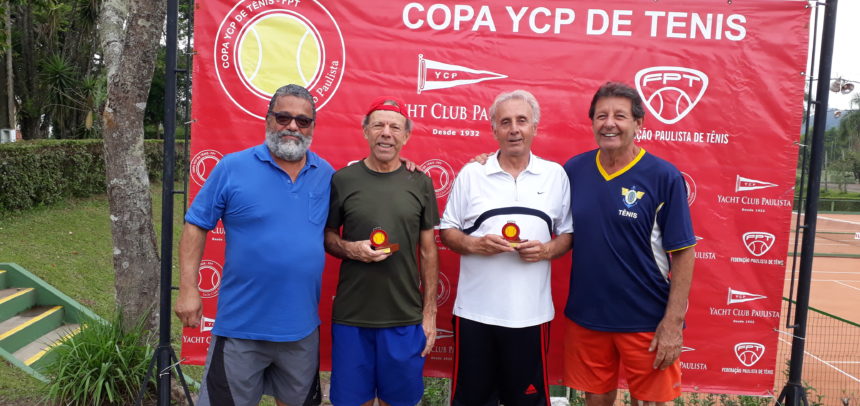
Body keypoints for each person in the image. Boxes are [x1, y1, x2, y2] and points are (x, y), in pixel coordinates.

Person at [175, 84, 332, 406]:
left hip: (301, 331)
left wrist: (405, 169)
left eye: (302, 121)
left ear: (312, 127)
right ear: (268, 119)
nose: (292, 126)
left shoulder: (326, 174)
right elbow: (196, 225)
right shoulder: (232, 167)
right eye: (284, 117)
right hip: (240, 328)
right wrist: (188, 289)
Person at [562, 82, 696, 405]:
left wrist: (673, 323)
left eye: (620, 116)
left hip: (646, 319)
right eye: (601, 116)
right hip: (588, 315)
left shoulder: (664, 176)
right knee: (595, 400)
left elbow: (683, 252)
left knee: (651, 402)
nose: (609, 123)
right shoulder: (574, 170)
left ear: (639, 123)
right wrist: (489, 162)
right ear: (592, 122)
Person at [439, 89, 573, 406]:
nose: (514, 129)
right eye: (505, 122)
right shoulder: (472, 173)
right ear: (494, 129)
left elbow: (567, 235)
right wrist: (475, 244)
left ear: (534, 127)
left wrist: (545, 251)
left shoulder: (555, 176)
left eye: (521, 121)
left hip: (531, 317)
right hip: (475, 316)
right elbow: (447, 232)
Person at [324, 96, 439, 406]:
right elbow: (328, 236)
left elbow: (429, 252)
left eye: (395, 127)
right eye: (378, 125)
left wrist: (429, 313)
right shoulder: (342, 180)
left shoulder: (420, 182)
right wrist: (351, 249)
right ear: (366, 131)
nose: (386, 133)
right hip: (352, 318)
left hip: (403, 317)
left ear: (406, 136)